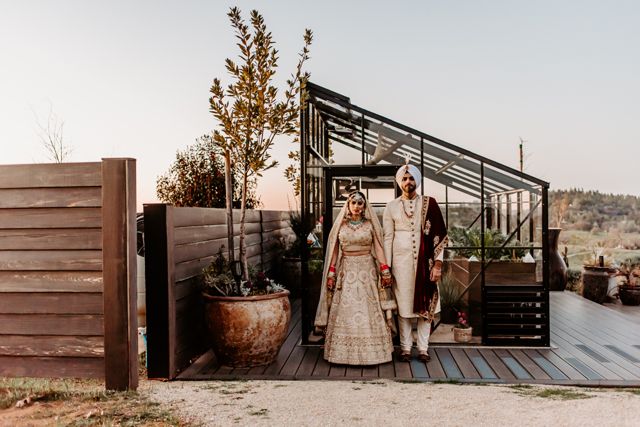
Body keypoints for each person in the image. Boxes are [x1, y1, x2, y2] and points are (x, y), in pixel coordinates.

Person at [314, 191, 395, 365]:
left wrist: (385, 269)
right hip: (347, 270)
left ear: (365, 206)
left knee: (369, 308)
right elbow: (335, 250)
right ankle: (341, 352)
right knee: (345, 308)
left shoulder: (370, 225)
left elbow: (379, 248)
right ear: (348, 205)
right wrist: (331, 272)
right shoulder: (340, 226)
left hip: (367, 271)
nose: (357, 206)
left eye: (360, 203)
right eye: (354, 203)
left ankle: (373, 352)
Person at [383, 162, 448, 363]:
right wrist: (386, 267)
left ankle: (423, 348)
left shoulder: (430, 203)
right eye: (404, 178)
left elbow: (440, 235)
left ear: (417, 182)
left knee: (425, 308)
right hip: (400, 266)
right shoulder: (391, 206)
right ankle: (405, 348)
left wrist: (437, 264)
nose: (408, 182)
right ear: (399, 182)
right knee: (403, 308)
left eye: (411, 178)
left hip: (425, 263)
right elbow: (387, 237)